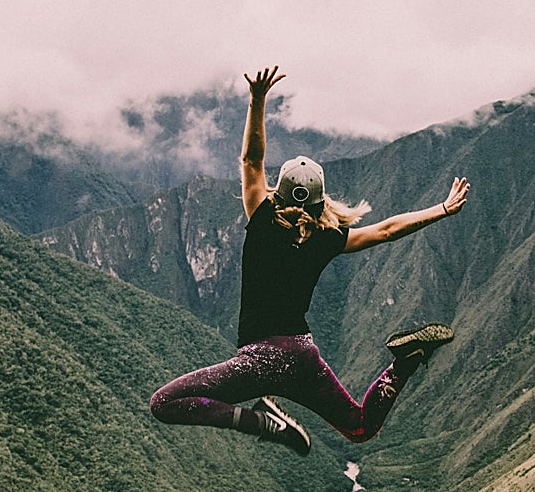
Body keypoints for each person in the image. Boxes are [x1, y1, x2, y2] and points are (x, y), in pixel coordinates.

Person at [150, 66, 470, 455]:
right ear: (321, 200)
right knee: (360, 427)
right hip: (303, 356)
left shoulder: (263, 217)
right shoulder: (327, 238)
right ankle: (404, 363)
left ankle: (260, 422)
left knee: (164, 404)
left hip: (259, 361)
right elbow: (386, 230)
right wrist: (442, 208)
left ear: (278, 191)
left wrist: (257, 99)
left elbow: (252, 159)